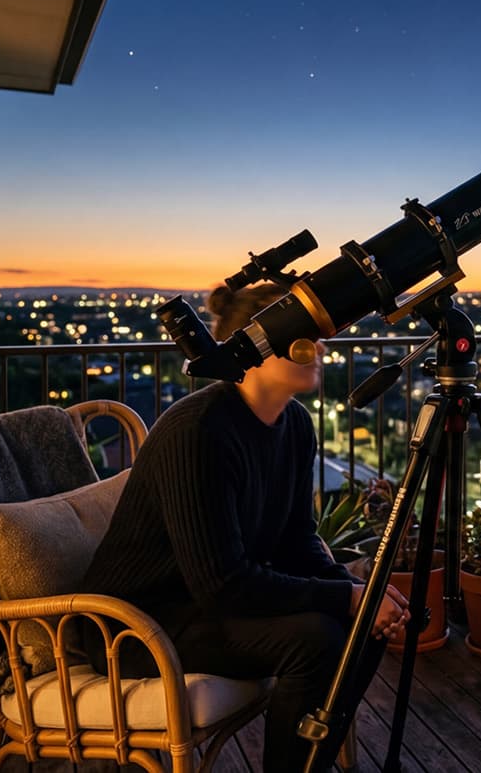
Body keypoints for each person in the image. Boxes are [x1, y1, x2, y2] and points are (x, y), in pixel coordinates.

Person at [81, 282, 409, 770]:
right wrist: (346, 597)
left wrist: (359, 590)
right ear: (256, 346)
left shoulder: (294, 424)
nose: (320, 349)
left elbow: (297, 539)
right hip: (139, 626)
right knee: (316, 640)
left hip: (208, 604)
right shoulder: (200, 432)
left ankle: (308, 762)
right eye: (303, 338)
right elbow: (223, 583)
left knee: (368, 624)